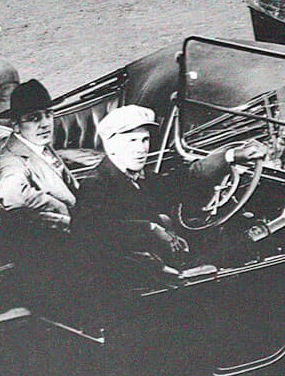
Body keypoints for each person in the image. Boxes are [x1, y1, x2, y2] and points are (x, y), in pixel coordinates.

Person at [75, 105, 266, 267]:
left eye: (145, 140)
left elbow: (181, 181)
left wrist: (230, 156)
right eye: (132, 140)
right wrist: (152, 229)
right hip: (141, 272)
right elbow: (94, 232)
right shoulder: (96, 184)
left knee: (232, 237)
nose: (141, 149)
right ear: (111, 146)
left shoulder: (140, 177)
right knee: (240, 247)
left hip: (163, 255)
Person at [0, 79, 77, 229]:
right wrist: (65, 214)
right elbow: (10, 197)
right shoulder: (9, 162)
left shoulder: (38, 144)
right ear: (15, 125)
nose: (45, 124)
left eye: (48, 114)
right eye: (34, 118)